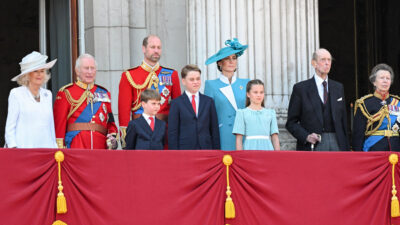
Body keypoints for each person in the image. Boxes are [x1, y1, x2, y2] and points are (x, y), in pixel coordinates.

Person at [118, 35, 181, 148]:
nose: (156, 51)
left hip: (165, 132)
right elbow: (124, 110)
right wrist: (125, 134)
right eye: (152, 47)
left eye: (159, 47)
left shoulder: (172, 74)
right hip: (140, 132)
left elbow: (177, 108)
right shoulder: (129, 75)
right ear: (144, 49)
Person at [286, 48, 349, 151]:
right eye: (323, 60)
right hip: (313, 144)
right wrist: (306, 136)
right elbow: (291, 122)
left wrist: (346, 147)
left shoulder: (338, 87)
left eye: (329, 60)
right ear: (314, 63)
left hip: (337, 142)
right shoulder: (301, 89)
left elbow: (343, 121)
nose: (327, 63)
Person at [53, 54, 118, 149]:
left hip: (100, 148)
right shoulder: (66, 92)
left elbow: (110, 123)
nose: (90, 72)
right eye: (86, 68)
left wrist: (112, 138)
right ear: (77, 71)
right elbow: (59, 126)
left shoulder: (104, 93)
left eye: (92, 68)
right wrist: (60, 150)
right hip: (77, 146)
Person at [4, 51, 57, 148]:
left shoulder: (47, 94)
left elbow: (50, 126)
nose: (39, 74)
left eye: (42, 71)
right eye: (35, 71)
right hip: (23, 150)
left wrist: (54, 147)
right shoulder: (16, 94)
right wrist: (13, 147)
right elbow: (10, 126)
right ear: (27, 75)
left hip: (46, 150)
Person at [204, 38, 249, 150]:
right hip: (222, 134)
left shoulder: (246, 83)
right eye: (227, 58)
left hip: (244, 134)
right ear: (220, 62)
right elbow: (208, 114)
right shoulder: (211, 85)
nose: (231, 61)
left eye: (234, 58)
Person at [168, 64, 220, 150]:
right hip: (185, 150)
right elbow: (173, 132)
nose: (196, 82)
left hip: (206, 149)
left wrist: (216, 151)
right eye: (192, 79)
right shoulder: (176, 103)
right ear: (183, 81)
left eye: (198, 79)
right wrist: (174, 154)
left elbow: (214, 130)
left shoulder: (208, 101)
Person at [352, 64, 400, 151]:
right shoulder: (364, 104)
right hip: (374, 149)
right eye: (382, 78)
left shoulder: (397, 102)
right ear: (374, 82)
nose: (385, 81)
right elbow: (358, 135)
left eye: (388, 78)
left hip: (396, 149)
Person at [232, 79, 280, 150]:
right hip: (249, 150)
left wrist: (278, 156)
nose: (259, 95)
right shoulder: (242, 113)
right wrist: (240, 157)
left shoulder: (270, 113)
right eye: (255, 92)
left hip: (268, 150)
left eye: (261, 92)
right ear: (248, 94)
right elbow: (239, 139)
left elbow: (275, 137)